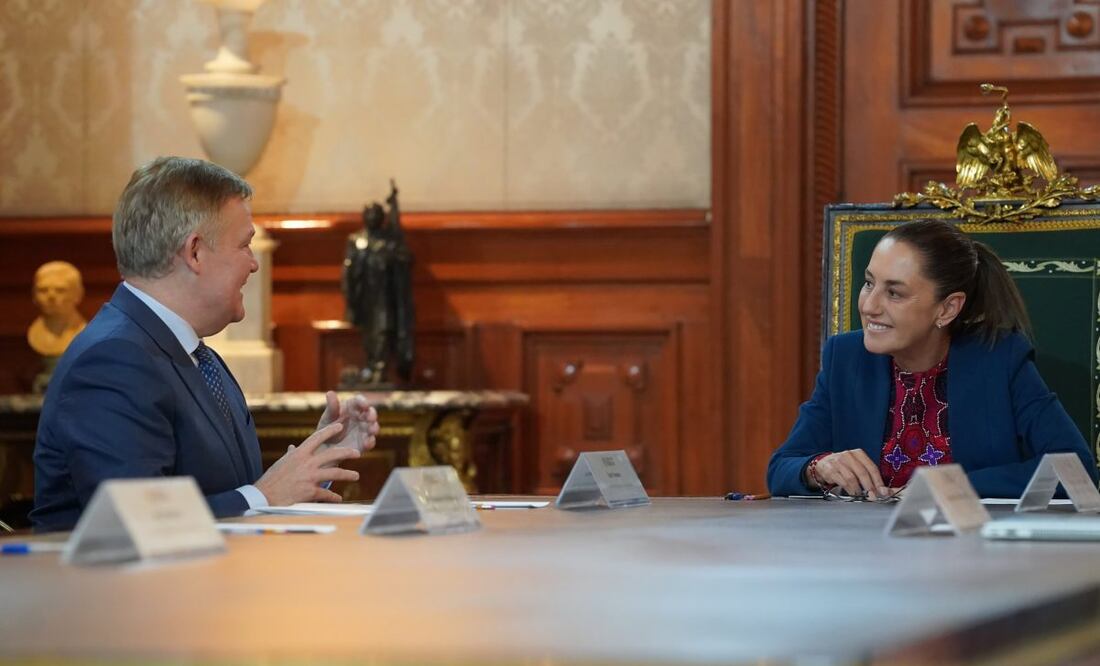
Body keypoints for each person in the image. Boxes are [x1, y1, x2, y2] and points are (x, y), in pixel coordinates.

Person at [31, 156, 381, 532]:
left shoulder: (199, 356)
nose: (253, 264)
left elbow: (231, 496)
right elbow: (139, 524)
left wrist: (320, 458)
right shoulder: (112, 359)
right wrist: (263, 495)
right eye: (245, 245)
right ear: (195, 252)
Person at [767, 219, 1098, 499]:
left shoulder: (999, 359)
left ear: (947, 308)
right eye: (869, 284)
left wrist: (951, 487)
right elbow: (782, 467)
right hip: (867, 555)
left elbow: (1076, 470)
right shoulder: (846, 358)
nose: (869, 306)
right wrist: (818, 467)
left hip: (973, 558)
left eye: (894, 292)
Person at [26, 261, 87, 358]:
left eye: (60, 290)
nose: (51, 296)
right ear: (34, 295)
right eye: (43, 290)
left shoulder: (85, 334)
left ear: (78, 294)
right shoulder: (33, 333)